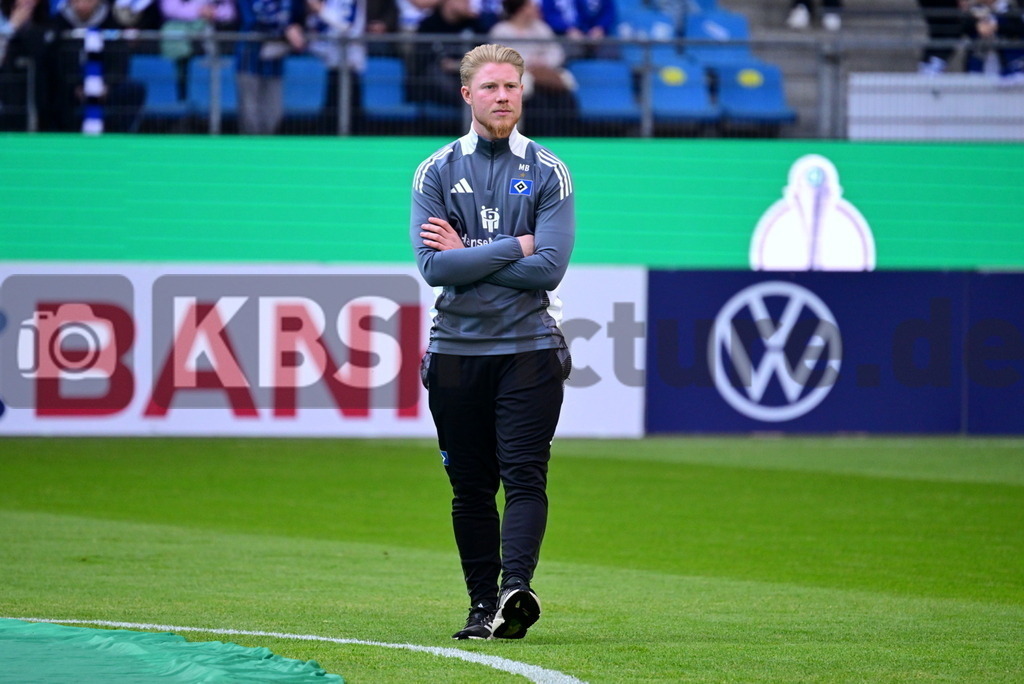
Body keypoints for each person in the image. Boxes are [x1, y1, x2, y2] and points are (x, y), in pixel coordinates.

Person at [410, 43, 574, 641]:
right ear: (467, 95)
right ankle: (481, 607)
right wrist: (514, 246)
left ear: (522, 92)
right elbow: (434, 267)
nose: (502, 96)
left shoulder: (550, 170)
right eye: (490, 87)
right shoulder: (435, 171)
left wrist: (470, 255)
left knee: (526, 476)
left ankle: (514, 590)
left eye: (511, 86)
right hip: (455, 352)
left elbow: (549, 268)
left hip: (530, 349)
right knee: (470, 488)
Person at [489, 0, 577, 137]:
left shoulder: (541, 28)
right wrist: (527, 64)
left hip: (544, 70)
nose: (536, 8)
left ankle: (567, 133)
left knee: (567, 82)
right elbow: (501, 57)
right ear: (521, 9)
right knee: (524, 87)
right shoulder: (501, 31)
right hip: (518, 73)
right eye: (530, 5)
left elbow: (556, 52)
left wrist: (543, 62)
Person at [235, 0, 306, 134]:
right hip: (249, 59)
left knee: (273, 112)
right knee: (250, 111)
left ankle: (268, 142)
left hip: (275, 62)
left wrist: (297, 27)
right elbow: (252, 17)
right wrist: (286, 28)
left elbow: (299, 17)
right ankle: (251, 144)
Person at [407, 0, 482, 108]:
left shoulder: (474, 25)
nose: (468, 3)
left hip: (466, 75)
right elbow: (423, 62)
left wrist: (456, 65)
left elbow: (482, 56)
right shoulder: (429, 26)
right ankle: (466, 101)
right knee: (435, 72)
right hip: (435, 86)